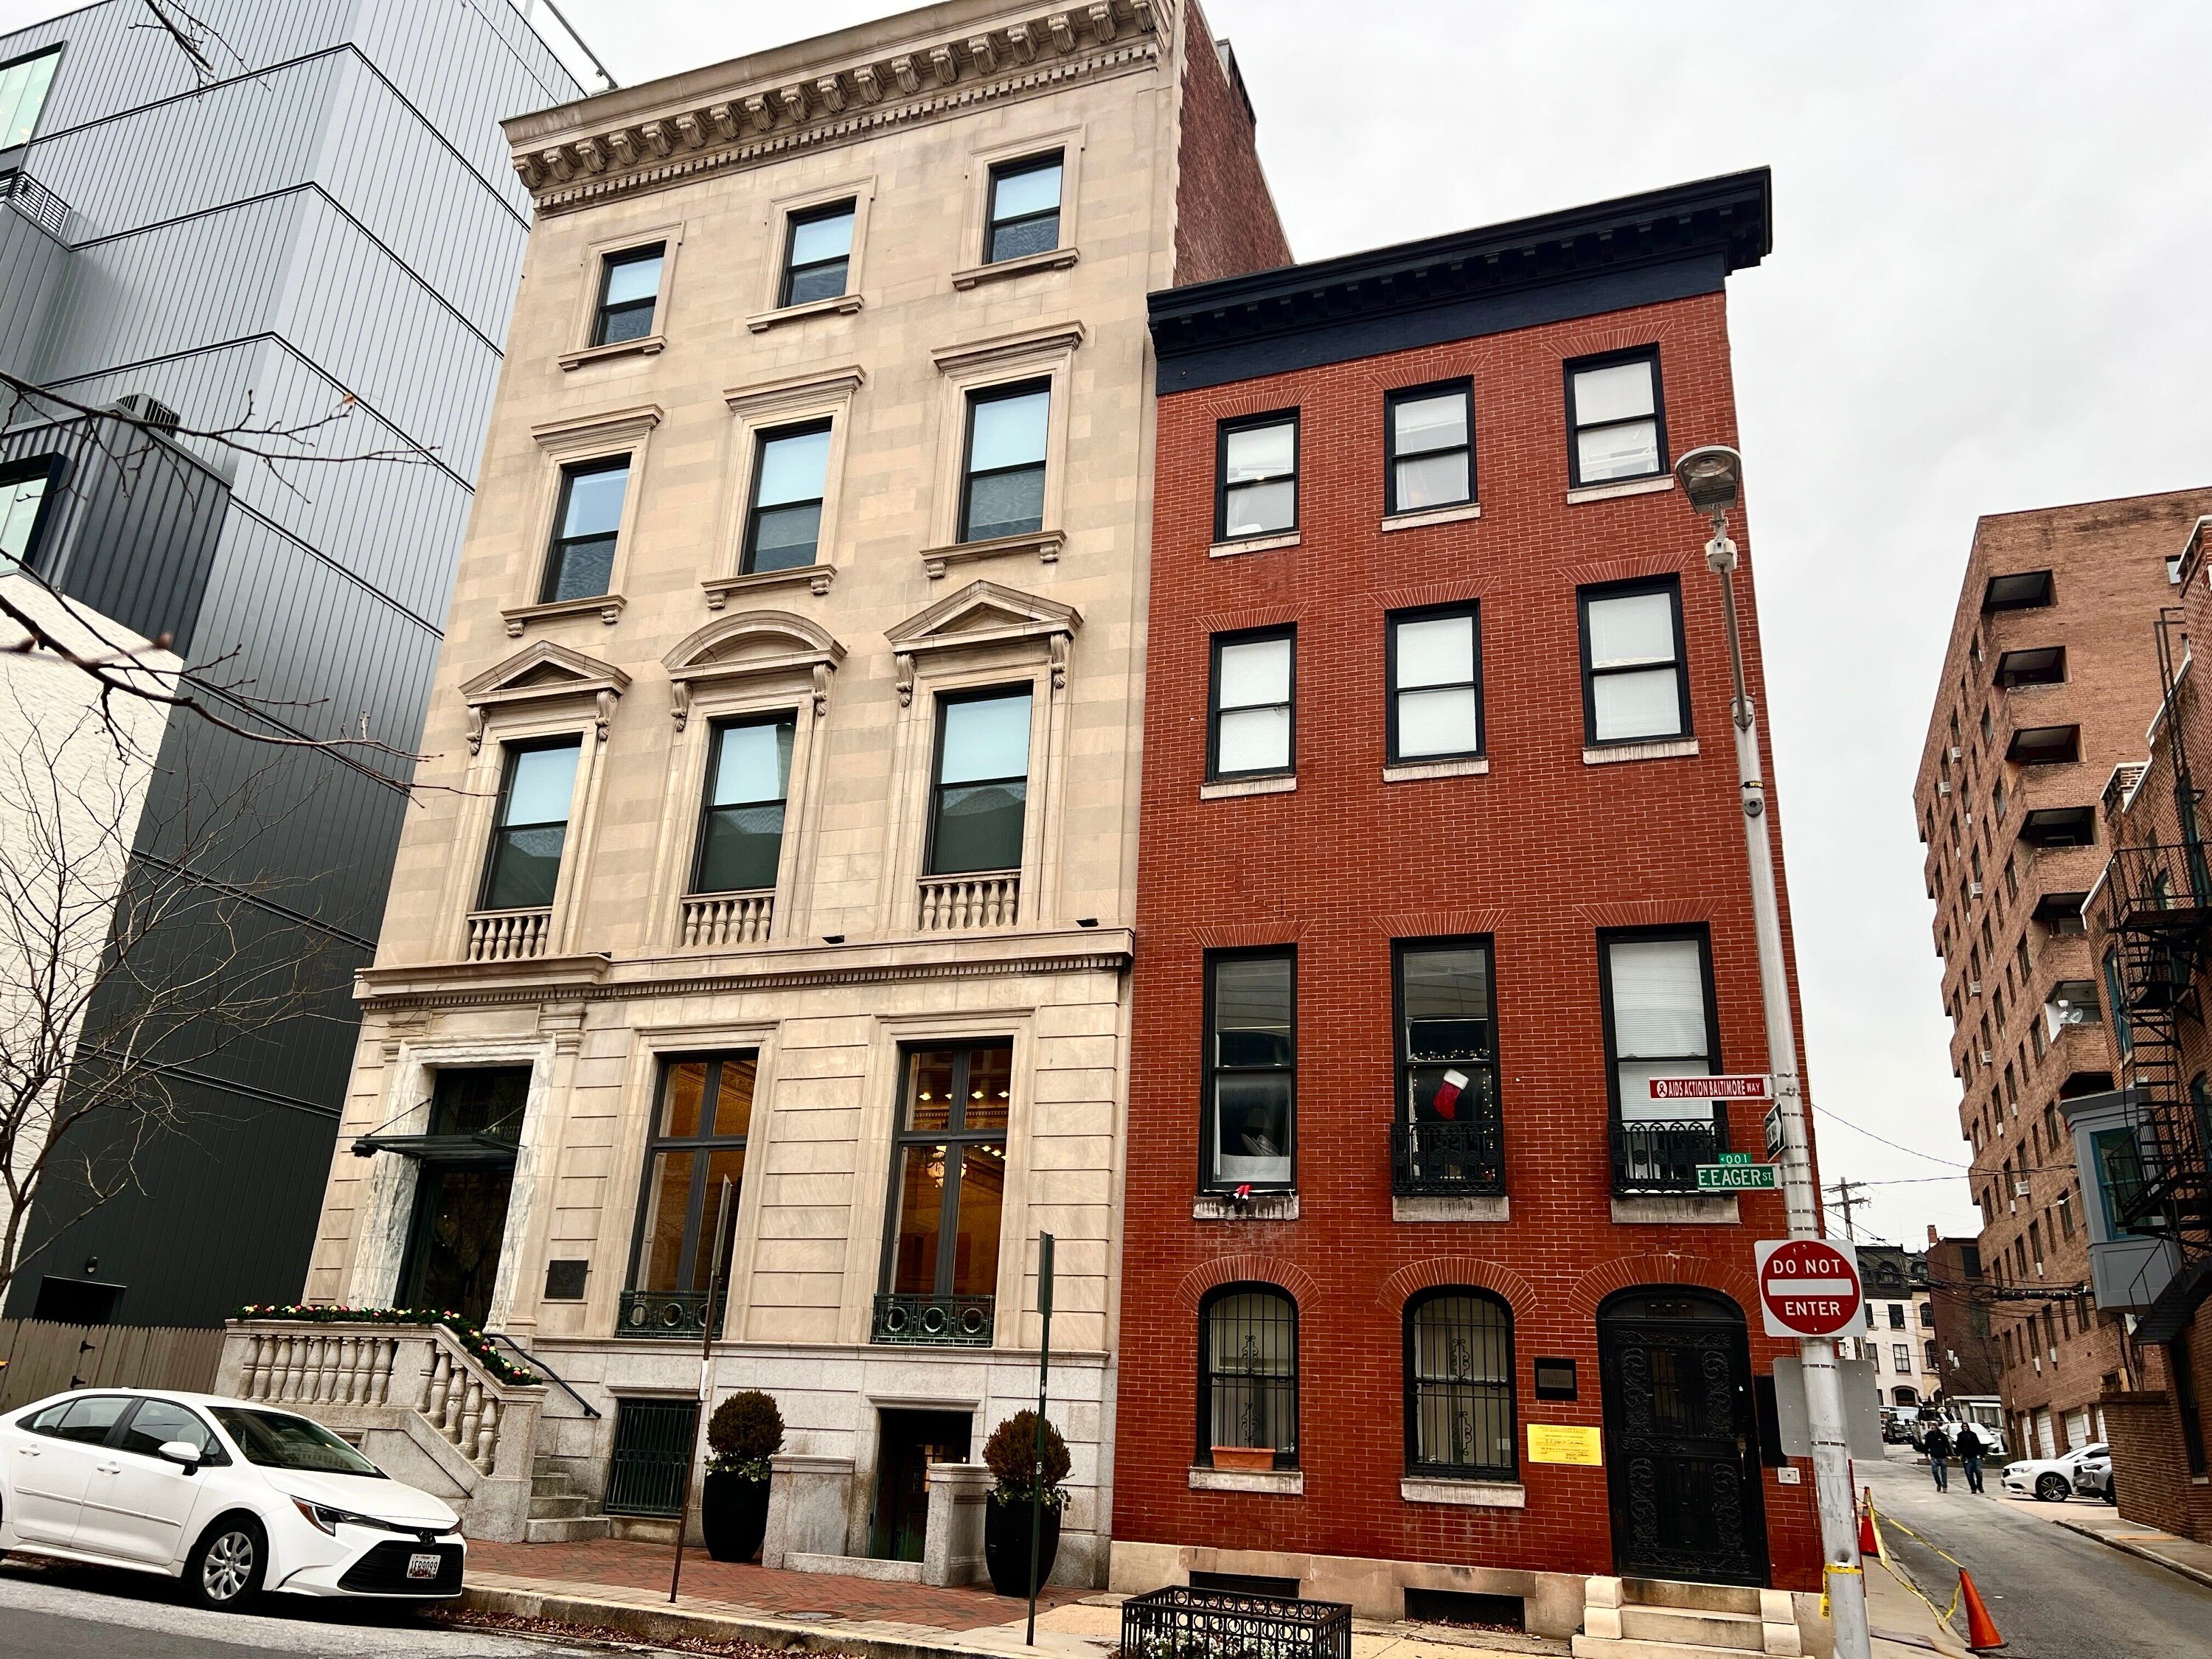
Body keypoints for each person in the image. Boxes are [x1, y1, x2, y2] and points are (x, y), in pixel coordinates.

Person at [1956, 1421, 1986, 1495]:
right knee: (1969, 1475)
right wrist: (1958, 1455)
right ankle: (1973, 1488)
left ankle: (1980, 1486)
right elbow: (1958, 1446)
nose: (1965, 1428)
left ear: (1968, 1427)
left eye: (1966, 1426)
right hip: (1966, 1458)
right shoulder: (1960, 1435)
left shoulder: (1973, 1435)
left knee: (1979, 1473)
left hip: (1975, 1457)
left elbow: (1978, 1445)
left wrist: (1982, 1455)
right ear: (1962, 1428)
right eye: (1963, 1427)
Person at [1924, 1419, 1952, 1492]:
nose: (1932, 1427)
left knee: (1944, 1473)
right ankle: (1939, 1483)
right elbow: (1926, 1445)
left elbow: (1947, 1445)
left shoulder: (1942, 1435)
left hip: (1942, 1457)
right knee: (1935, 1472)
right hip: (1934, 1457)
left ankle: (1945, 1487)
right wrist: (1926, 1454)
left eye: (1933, 1425)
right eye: (1931, 1426)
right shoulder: (1929, 1435)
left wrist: (1949, 1454)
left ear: (1936, 1426)